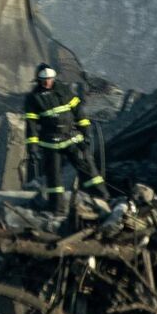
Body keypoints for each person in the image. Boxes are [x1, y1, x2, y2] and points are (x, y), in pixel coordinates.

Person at [22, 64, 106, 211]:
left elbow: (79, 113)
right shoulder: (33, 98)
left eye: (49, 79)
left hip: (72, 139)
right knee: (54, 177)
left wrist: (86, 133)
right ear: (38, 80)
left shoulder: (65, 91)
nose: (47, 82)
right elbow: (32, 125)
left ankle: (100, 199)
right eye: (44, 80)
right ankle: (57, 208)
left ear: (54, 78)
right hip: (50, 144)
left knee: (89, 170)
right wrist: (32, 148)